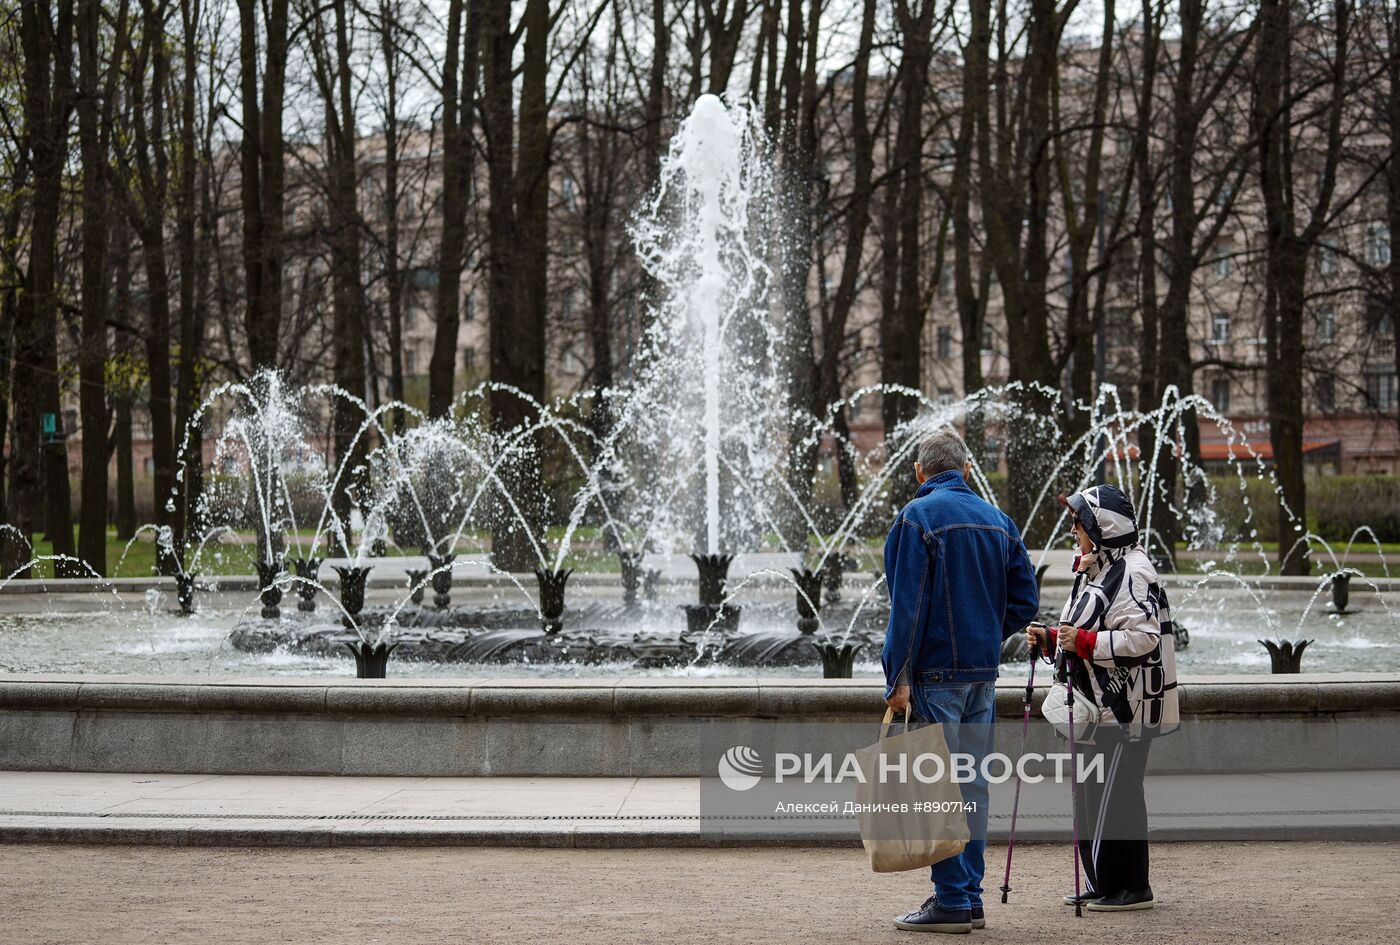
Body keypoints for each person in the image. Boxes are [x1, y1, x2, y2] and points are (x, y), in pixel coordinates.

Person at [883, 429, 1040, 934]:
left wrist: (896, 676)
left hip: (935, 674)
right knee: (972, 787)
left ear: (919, 472)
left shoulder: (917, 517)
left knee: (937, 788)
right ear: (968, 470)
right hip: (981, 675)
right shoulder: (1000, 521)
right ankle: (969, 895)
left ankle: (951, 900)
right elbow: (1025, 602)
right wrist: (985, 636)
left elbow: (906, 607)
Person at [1026, 484, 1180, 913]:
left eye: (1080, 521)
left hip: (1124, 710)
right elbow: (1085, 633)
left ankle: (1131, 888)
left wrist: (1085, 642)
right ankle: (1104, 882)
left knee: (1119, 797)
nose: (1073, 529)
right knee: (1092, 798)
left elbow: (1145, 640)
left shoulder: (1133, 570)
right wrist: (1052, 639)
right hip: (1097, 711)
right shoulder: (1097, 568)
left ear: (1102, 527)